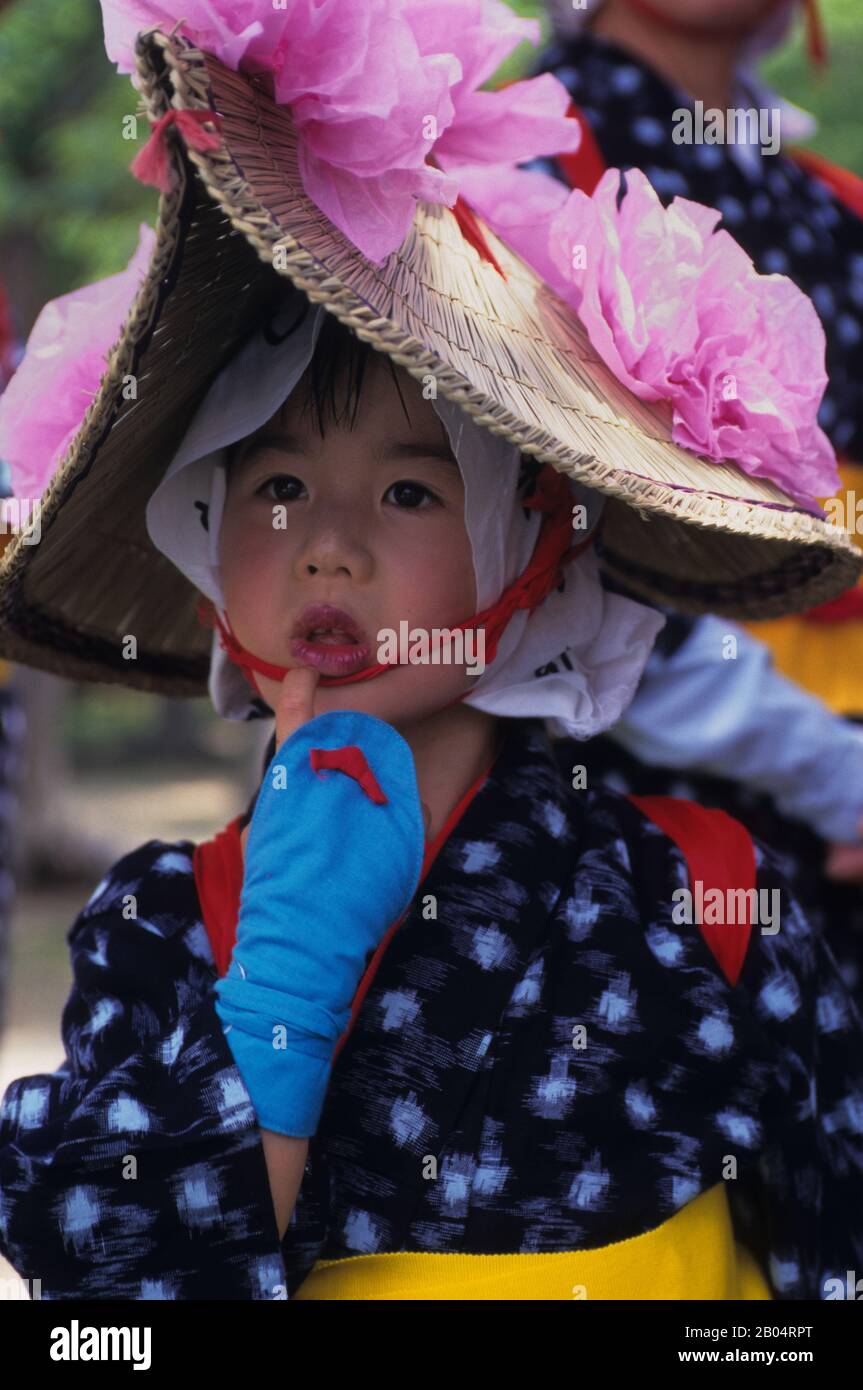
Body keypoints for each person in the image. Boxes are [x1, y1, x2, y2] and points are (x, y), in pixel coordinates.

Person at [0, 0, 861, 1302]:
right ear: (201, 536)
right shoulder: (172, 921)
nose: (325, 547)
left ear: (535, 555)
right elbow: (111, 1303)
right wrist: (289, 958)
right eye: (273, 486)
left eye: (408, 492)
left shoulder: (700, 891)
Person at [523, 0, 863, 987]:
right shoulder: (521, 171)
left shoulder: (827, 202)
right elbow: (565, 550)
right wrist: (836, 780)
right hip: (636, 830)